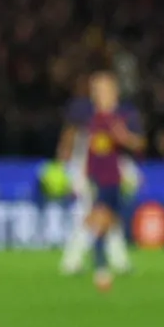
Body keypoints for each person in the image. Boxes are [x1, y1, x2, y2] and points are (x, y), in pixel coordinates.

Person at [58, 76, 133, 276]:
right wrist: (70, 165)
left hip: (105, 172)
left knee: (107, 217)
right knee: (93, 216)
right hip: (87, 171)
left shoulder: (114, 114)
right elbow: (72, 138)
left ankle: (118, 259)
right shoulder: (85, 113)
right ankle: (74, 260)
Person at [77, 72, 145, 291]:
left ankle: (102, 262)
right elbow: (92, 151)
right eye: (102, 91)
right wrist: (87, 175)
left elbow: (136, 143)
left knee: (109, 222)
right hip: (100, 179)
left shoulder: (119, 118)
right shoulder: (94, 120)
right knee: (102, 223)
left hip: (115, 177)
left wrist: (124, 137)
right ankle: (101, 269)